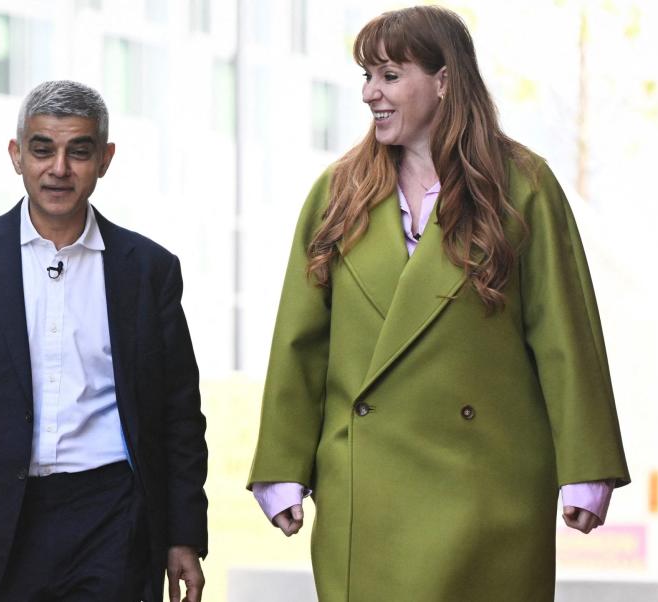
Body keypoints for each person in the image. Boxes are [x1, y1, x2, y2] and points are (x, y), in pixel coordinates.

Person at [248, 6, 629, 601]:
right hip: (365, 491)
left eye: (390, 76)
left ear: (445, 80)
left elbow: (565, 334)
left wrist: (588, 468)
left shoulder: (523, 186)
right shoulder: (337, 192)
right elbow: (299, 343)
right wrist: (280, 466)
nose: (371, 93)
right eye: (367, 77)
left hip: (489, 490)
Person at [0, 80, 207, 602]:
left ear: (105, 159)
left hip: (114, 517)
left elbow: (179, 415)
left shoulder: (149, 270)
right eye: (42, 149)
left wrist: (183, 535)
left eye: (79, 151)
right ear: (16, 155)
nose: (59, 168)